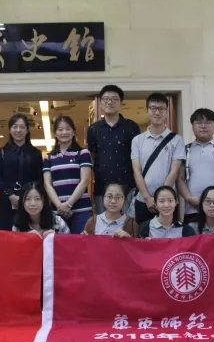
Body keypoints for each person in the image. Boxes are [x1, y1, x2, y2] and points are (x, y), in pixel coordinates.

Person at [131, 93, 185, 225]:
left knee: (169, 235)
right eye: (153, 108)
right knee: (142, 235)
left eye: (161, 109)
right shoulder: (137, 140)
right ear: (147, 111)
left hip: (168, 202)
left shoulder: (176, 140)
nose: (157, 112)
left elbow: (174, 171)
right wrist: (147, 198)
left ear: (166, 112)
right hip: (143, 200)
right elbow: (137, 171)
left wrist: (162, 198)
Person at [87, 85, 141, 215]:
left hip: (127, 187)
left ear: (121, 103)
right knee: (103, 224)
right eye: (106, 99)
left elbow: (138, 157)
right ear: (100, 102)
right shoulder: (93, 129)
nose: (109, 102)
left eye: (114, 99)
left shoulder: (132, 127)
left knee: (127, 223)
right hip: (102, 188)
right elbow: (91, 158)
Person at [177, 109, 214, 224]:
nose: (203, 126)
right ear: (192, 126)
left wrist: (213, 199)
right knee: (193, 235)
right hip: (192, 208)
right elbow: (179, 178)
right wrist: (189, 198)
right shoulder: (185, 150)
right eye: (198, 122)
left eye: (208, 122)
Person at [43, 115, 93, 234]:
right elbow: (47, 184)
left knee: (81, 242)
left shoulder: (83, 153)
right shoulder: (48, 157)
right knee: (59, 243)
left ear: (73, 131)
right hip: (57, 210)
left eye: (68, 129)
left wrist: (69, 204)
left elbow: (85, 181)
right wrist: (60, 206)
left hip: (81, 209)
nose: (64, 132)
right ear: (55, 133)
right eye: (60, 129)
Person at [0, 114, 43, 231]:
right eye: (15, 127)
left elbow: (39, 179)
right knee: (7, 235)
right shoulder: (2, 152)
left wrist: (26, 197)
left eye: (22, 127)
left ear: (27, 130)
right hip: (6, 201)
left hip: (29, 202)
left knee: (29, 234)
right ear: (10, 130)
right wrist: (11, 195)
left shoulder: (35, 153)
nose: (18, 130)